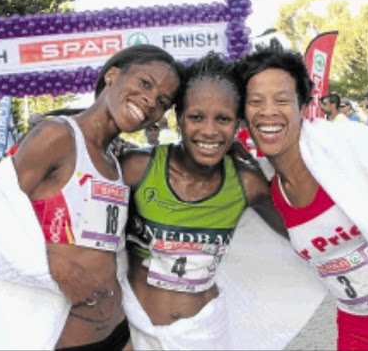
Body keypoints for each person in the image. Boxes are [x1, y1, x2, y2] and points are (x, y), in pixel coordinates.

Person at [0, 45, 183, 350]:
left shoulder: (117, 162)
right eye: (145, 83)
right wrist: (57, 267)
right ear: (112, 75)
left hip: (120, 333)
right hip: (66, 338)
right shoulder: (57, 136)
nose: (150, 101)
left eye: (162, 101)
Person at [236, 43, 368, 350]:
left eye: (282, 99)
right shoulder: (264, 191)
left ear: (303, 107)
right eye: (255, 101)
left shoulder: (350, 151)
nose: (268, 111)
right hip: (355, 329)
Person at [119, 52, 288, 349]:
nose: (209, 131)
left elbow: (301, 232)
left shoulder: (246, 182)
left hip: (203, 337)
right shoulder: (137, 168)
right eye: (196, 117)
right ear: (179, 118)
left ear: (238, 123)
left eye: (222, 119)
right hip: (138, 332)